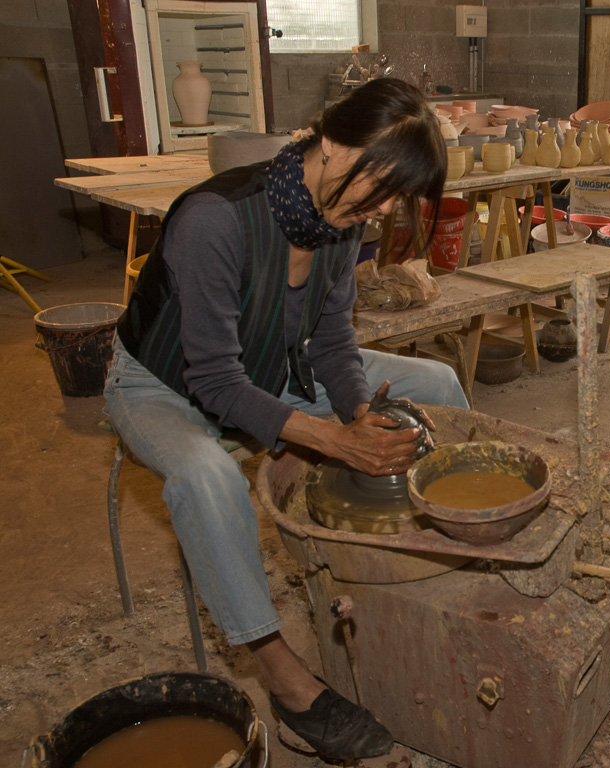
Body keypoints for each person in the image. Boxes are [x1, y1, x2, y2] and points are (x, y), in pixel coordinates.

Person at [103, 78, 468, 761]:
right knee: (206, 474)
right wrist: (333, 438)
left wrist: (362, 412)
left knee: (436, 382)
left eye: (398, 198)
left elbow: (332, 343)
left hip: (273, 366)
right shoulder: (216, 217)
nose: (384, 208)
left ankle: (431, 562)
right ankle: (286, 682)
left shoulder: (340, 220)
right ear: (331, 144)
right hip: (161, 386)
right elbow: (213, 382)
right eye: (380, 185)